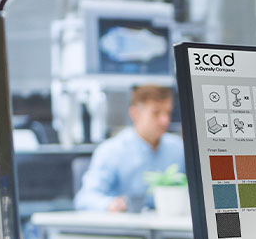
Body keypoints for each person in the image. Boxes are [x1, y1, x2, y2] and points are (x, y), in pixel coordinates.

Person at [74, 84, 184, 212]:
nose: (164, 120)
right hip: (127, 229)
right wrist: (111, 204)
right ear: (135, 113)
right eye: (156, 113)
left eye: (168, 113)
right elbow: (84, 199)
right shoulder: (111, 151)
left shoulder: (178, 148)